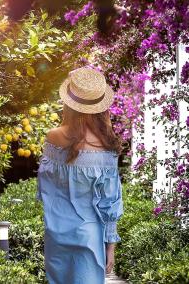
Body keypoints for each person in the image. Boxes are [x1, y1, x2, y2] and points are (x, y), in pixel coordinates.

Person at [36, 66, 124, 284]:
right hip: (90, 237)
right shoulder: (106, 147)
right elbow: (109, 203)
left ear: (69, 103)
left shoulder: (53, 137)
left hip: (56, 234)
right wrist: (110, 247)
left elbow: (46, 188)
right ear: (101, 107)